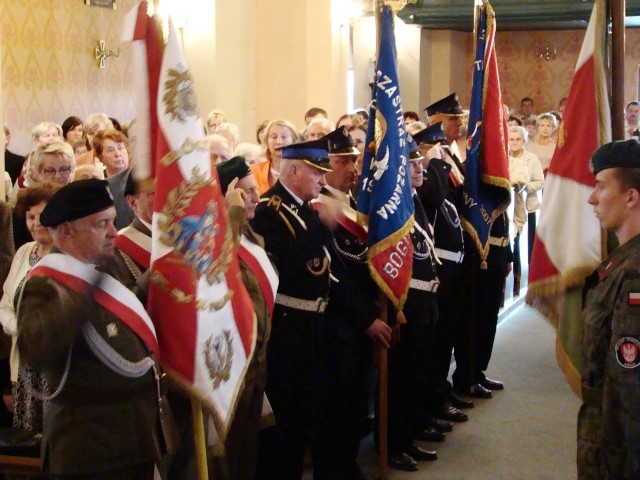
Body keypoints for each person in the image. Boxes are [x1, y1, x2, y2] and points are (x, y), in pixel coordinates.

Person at [16, 178, 174, 479]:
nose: (114, 232)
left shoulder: (101, 267)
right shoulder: (44, 283)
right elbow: (35, 349)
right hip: (92, 448)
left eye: (113, 221)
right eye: (102, 224)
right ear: (67, 231)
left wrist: (156, 274)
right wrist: (83, 295)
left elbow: (121, 322)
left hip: (134, 437)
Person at [250, 138, 335, 480]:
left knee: (309, 415)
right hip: (289, 330)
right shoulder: (270, 211)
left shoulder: (304, 208)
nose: (323, 181)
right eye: (317, 173)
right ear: (294, 170)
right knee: (287, 424)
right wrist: (322, 226)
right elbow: (285, 264)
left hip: (314, 325)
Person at [314, 127, 391, 480]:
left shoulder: (354, 204)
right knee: (337, 409)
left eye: (353, 161)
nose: (352, 169)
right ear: (323, 165)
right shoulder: (320, 209)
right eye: (342, 161)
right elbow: (335, 278)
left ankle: (348, 468)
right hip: (339, 329)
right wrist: (367, 319)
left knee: (356, 406)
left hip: (361, 325)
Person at [578, 139, 640, 479]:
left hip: (616, 446)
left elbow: (630, 387)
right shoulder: (621, 262)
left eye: (601, 186)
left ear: (631, 197)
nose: (592, 197)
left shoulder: (634, 276)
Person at [212, 156, 276, 480]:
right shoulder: (218, 235)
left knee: (249, 449)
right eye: (246, 191)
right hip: (233, 364)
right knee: (232, 451)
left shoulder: (251, 231)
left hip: (257, 358)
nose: (256, 197)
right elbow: (221, 275)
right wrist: (230, 217)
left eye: (256, 189)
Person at [386, 144, 439, 471]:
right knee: (401, 380)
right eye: (412, 164)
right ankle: (394, 444)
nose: (420, 168)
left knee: (418, 375)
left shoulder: (414, 199)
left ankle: (409, 436)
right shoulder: (396, 206)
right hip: (408, 304)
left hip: (425, 300)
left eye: (421, 163)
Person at [0, 183, 60, 433]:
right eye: (30, 217)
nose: (36, 224)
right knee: (27, 438)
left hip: (55, 370)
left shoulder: (67, 255)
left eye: (42, 216)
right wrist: (21, 328)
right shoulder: (24, 252)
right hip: (23, 364)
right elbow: (5, 304)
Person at [507, 126, 544, 292]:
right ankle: (513, 278)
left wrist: (522, 188)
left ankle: (527, 277)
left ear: (524, 141)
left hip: (528, 207)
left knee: (527, 245)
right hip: (509, 207)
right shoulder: (505, 157)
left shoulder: (531, 158)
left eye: (518, 139)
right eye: (512, 139)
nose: (514, 142)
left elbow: (540, 182)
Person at [250, 119, 299, 195]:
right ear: (267, 142)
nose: (279, 142)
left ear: (294, 141)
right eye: (274, 137)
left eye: (284, 137)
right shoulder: (254, 171)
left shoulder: (302, 172)